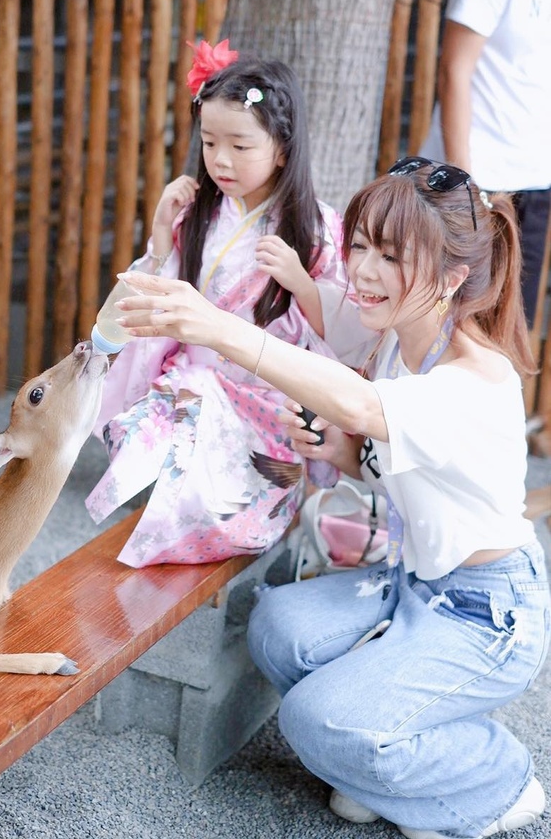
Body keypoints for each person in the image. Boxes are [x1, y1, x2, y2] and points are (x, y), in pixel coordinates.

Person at [113, 157, 550, 838]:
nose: (364, 271)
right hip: (412, 583)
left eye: (390, 256)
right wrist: (341, 454)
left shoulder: (475, 379)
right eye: (361, 246)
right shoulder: (395, 334)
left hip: (485, 614)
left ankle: (498, 781)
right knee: (278, 630)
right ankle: (375, 755)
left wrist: (215, 327)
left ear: (451, 276)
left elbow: (356, 400)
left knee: (317, 718)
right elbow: (349, 372)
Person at [85, 41, 353, 567]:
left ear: (283, 147)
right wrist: (163, 235)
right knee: (161, 439)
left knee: (225, 508)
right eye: (209, 143)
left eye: (240, 145)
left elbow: (344, 336)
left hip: (266, 403)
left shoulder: (316, 229)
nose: (221, 160)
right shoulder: (197, 214)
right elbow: (152, 299)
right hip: (191, 385)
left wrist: (300, 282)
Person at [419, 0, 551, 329]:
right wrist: (464, 187)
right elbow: (454, 69)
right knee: (450, 333)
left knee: (509, 335)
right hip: (480, 183)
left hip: (536, 185)